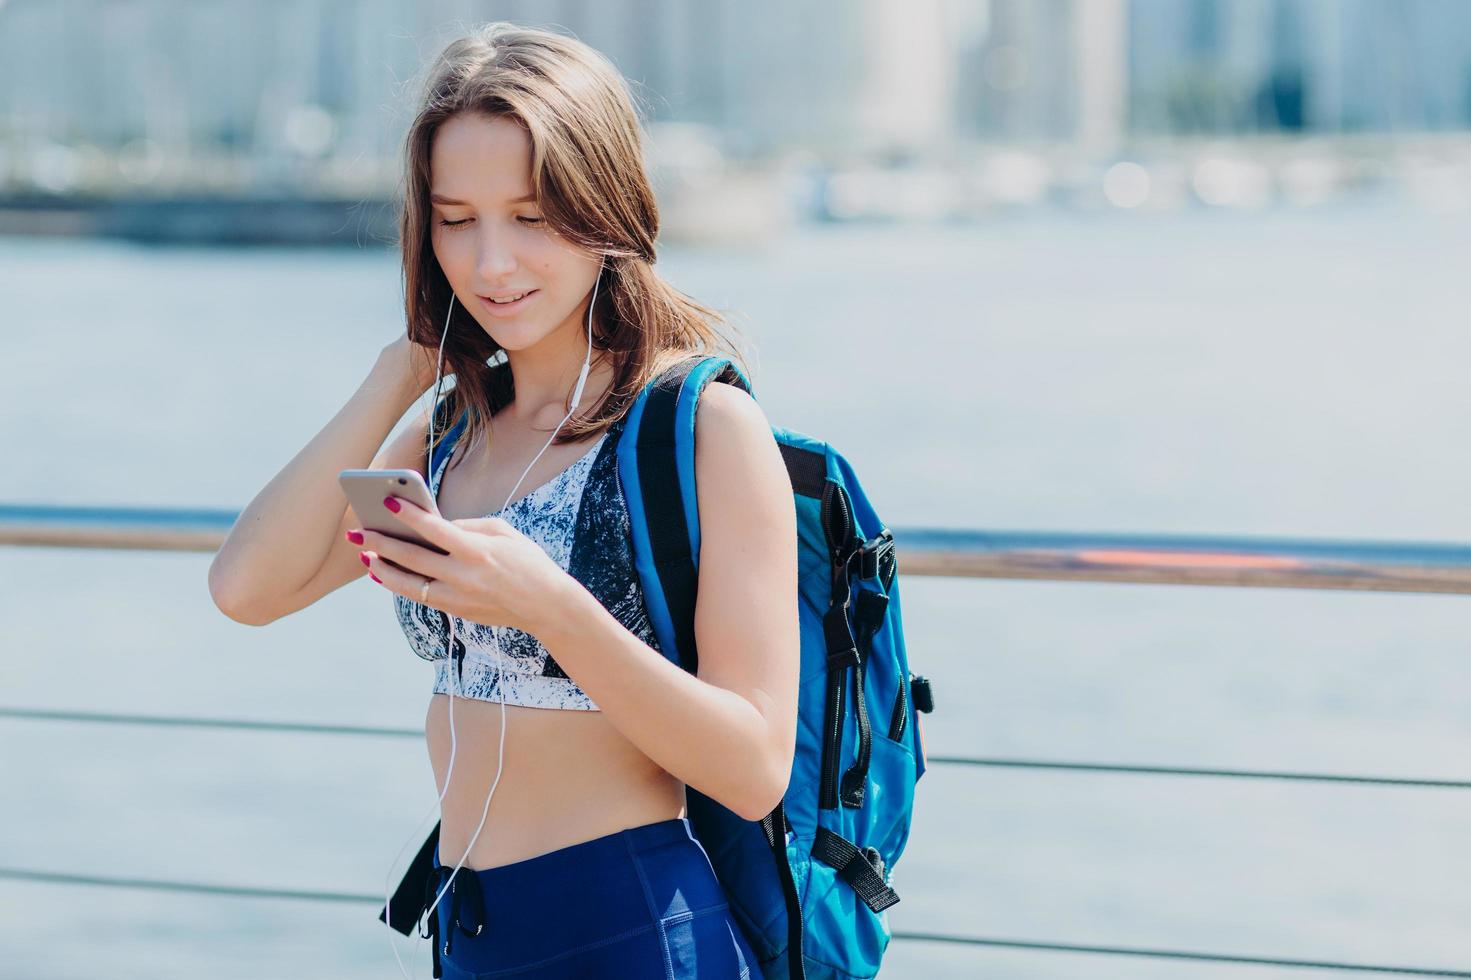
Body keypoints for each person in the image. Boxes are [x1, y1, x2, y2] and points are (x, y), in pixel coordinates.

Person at [207, 21, 798, 980]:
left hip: (630, 923)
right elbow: (246, 589)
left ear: (603, 205)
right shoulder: (451, 433)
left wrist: (548, 604)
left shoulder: (696, 430)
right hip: (469, 923)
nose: (490, 264)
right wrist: (394, 374)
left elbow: (753, 765)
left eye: (530, 217)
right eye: (455, 218)